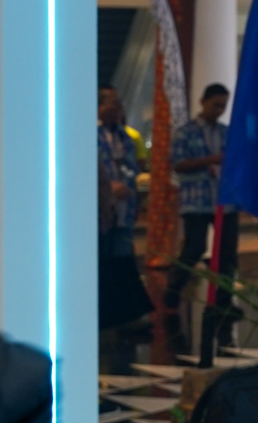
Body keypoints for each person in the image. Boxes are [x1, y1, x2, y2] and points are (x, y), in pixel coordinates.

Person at [166, 83, 238, 364]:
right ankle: (172, 296)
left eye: (223, 106)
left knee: (227, 253)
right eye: (215, 105)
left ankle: (224, 302)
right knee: (194, 248)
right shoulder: (185, 132)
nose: (219, 110)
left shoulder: (226, 132)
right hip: (196, 200)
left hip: (223, 200)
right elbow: (178, 164)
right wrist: (210, 160)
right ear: (203, 102)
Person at [96, 86, 153, 333]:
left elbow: (133, 166)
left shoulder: (125, 136)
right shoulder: (89, 134)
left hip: (123, 205)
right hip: (99, 206)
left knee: (122, 257)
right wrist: (108, 187)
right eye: (113, 103)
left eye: (120, 103)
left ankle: (126, 315)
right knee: (103, 258)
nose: (119, 108)